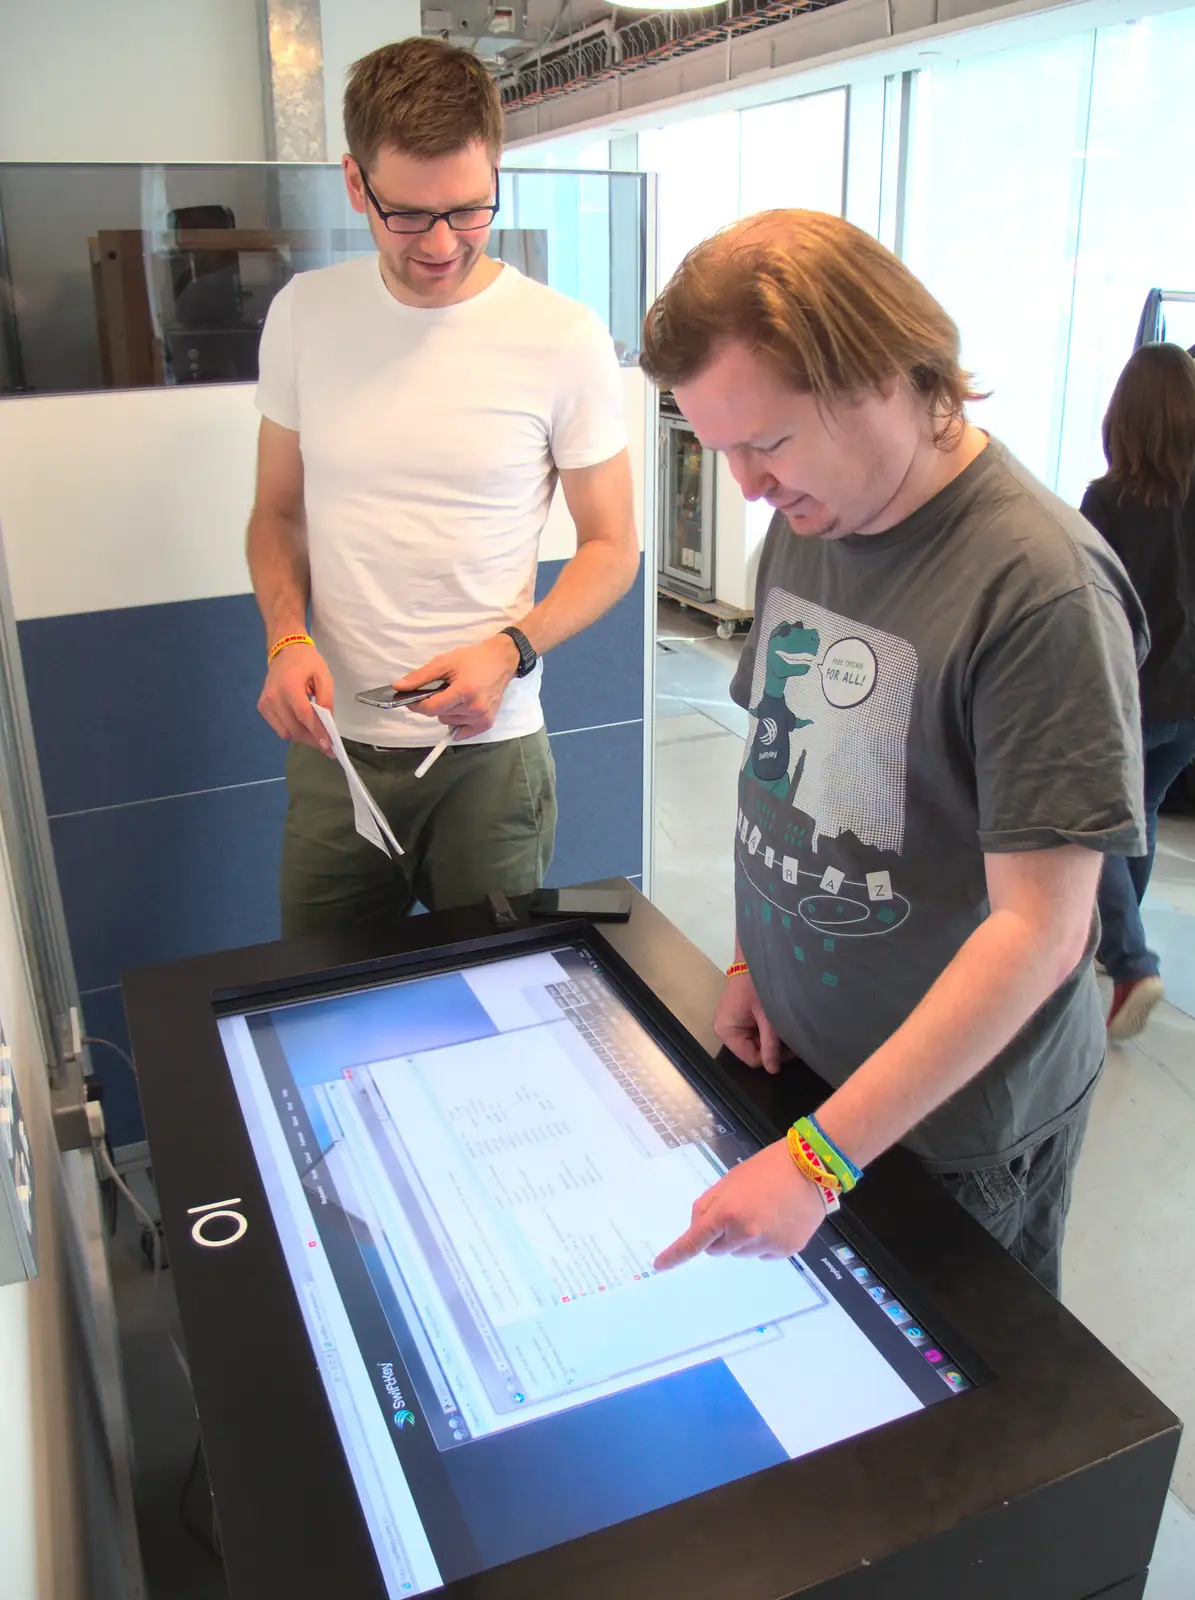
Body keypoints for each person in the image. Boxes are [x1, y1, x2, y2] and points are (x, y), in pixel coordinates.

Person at [639, 210, 1147, 1296]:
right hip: (808, 1070)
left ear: (881, 372)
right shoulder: (812, 518)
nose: (745, 486)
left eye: (765, 443)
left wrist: (822, 1163)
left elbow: (1040, 932)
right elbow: (774, 773)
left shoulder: (1039, 587)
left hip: (945, 1133)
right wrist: (747, 960)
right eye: (720, 449)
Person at [247, 39, 638, 938]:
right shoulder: (306, 314)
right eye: (409, 215)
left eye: (469, 211)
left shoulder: (560, 335)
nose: (440, 244)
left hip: (487, 758)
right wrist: (283, 634)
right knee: (322, 997)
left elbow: (612, 547)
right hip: (335, 750)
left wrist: (511, 648)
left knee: (493, 999)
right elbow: (275, 513)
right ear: (356, 184)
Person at [1080, 343, 1195, 1038]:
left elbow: (1085, 602)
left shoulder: (1110, 499)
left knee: (1093, 826)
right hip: (1188, 703)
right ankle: (1119, 949)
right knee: (1139, 816)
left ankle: (1128, 961)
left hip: (1133, 695)